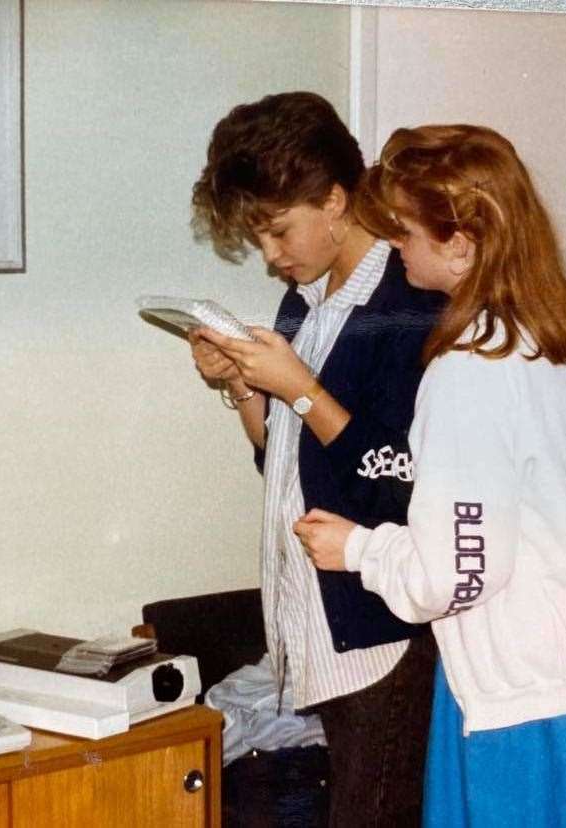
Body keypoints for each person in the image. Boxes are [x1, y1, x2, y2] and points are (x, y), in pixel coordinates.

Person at [293, 124, 566, 827]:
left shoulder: (472, 370)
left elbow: (456, 574)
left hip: (534, 705)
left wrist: (357, 549)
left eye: (406, 233)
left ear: (463, 243)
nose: (394, 249)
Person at [189, 91, 445, 826]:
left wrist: (300, 390)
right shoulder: (305, 299)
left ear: (335, 199)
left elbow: (402, 479)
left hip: (381, 631)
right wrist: (246, 390)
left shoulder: (412, 301)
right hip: (315, 625)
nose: (271, 257)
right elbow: (291, 468)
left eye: (277, 231)